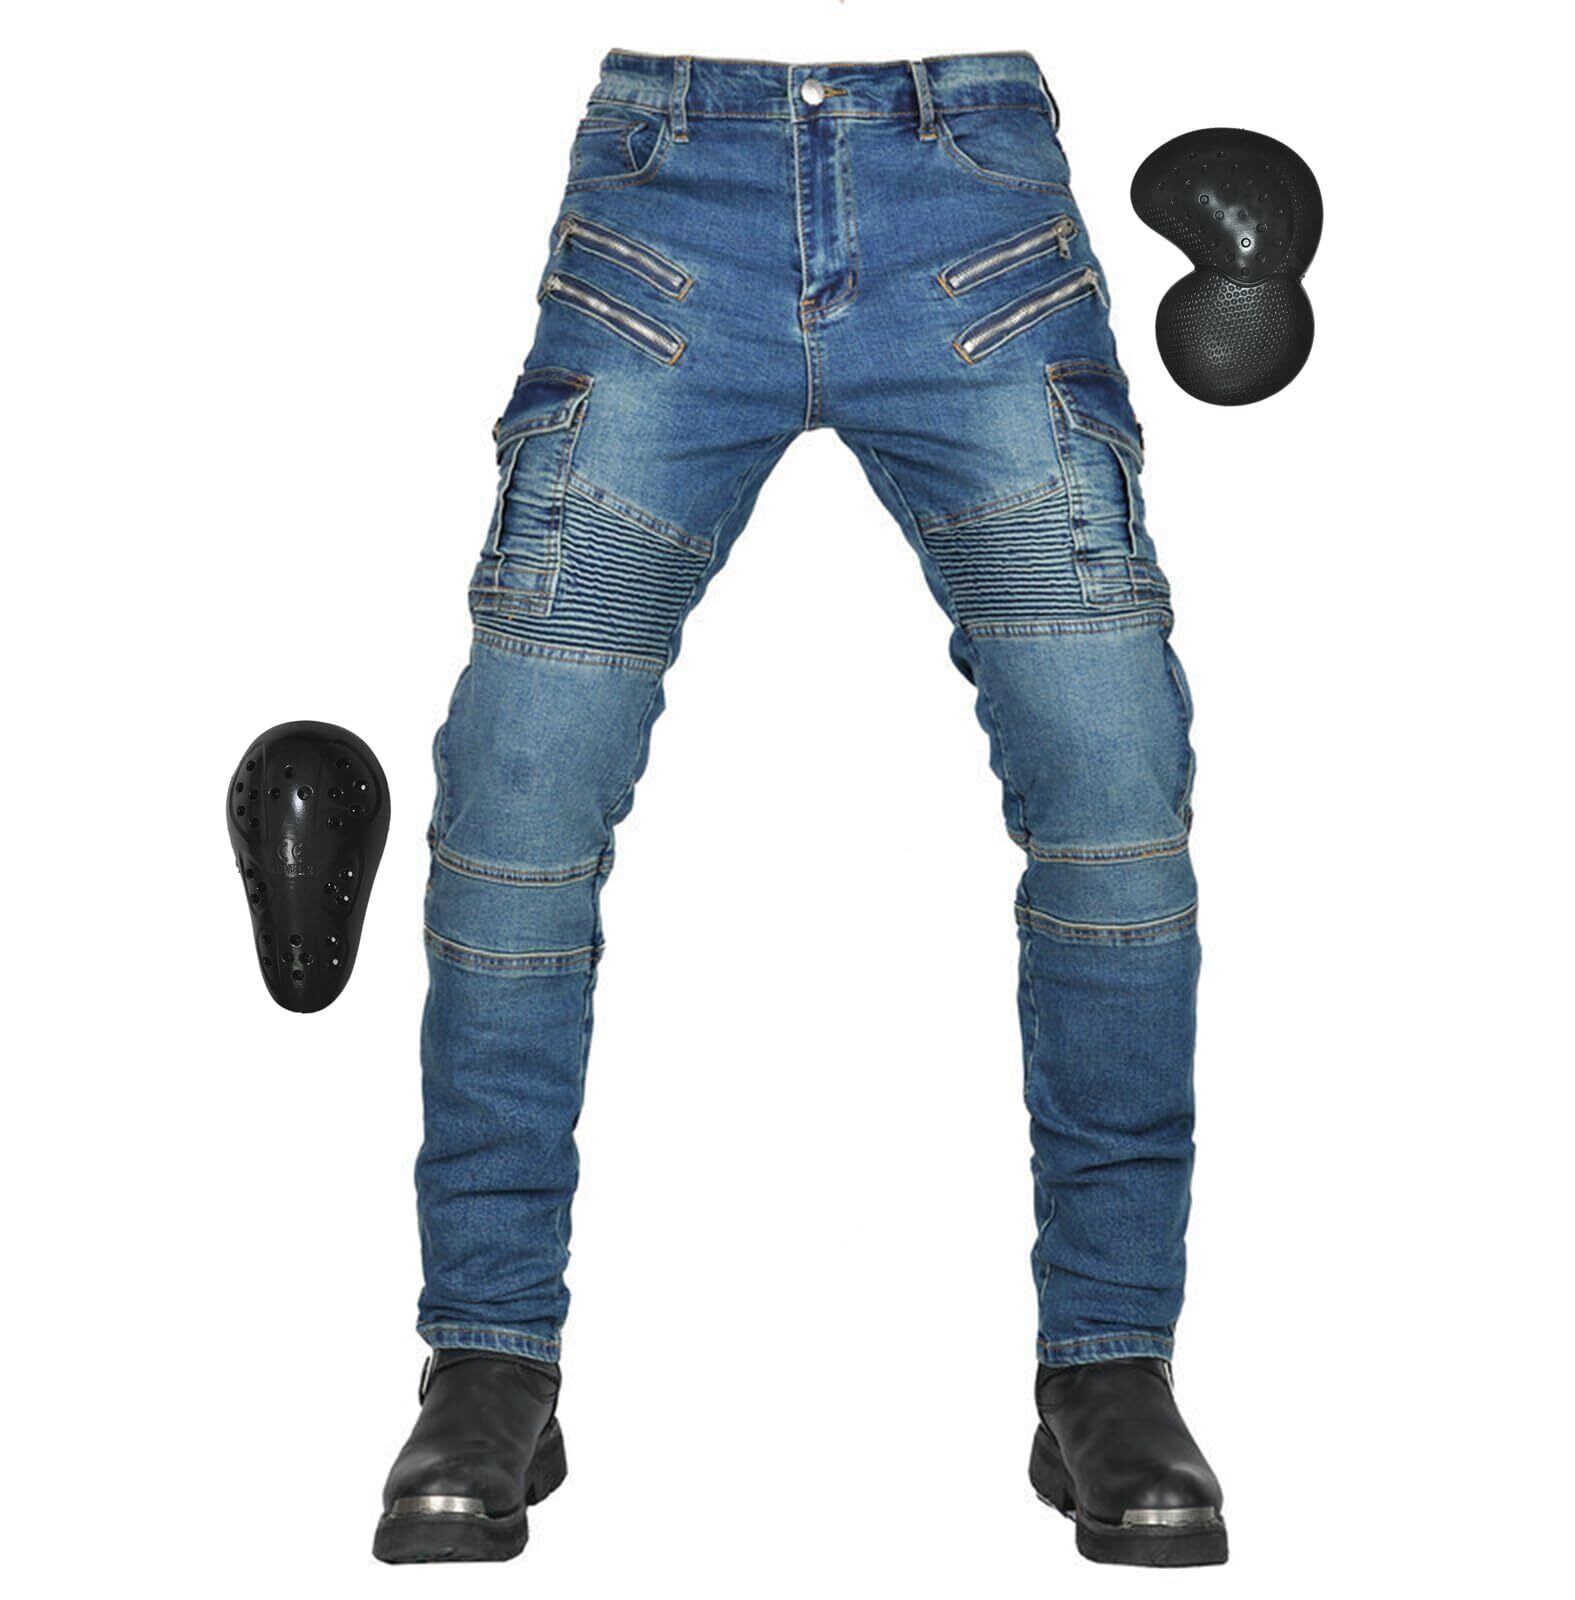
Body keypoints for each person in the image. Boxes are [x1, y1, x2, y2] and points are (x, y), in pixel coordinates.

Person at [375, 51, 1226, 1569]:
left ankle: (1112, 1361)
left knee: (1114, 777)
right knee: (520, 785)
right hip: (669, 205)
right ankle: (488, 1353)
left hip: (971, 208)